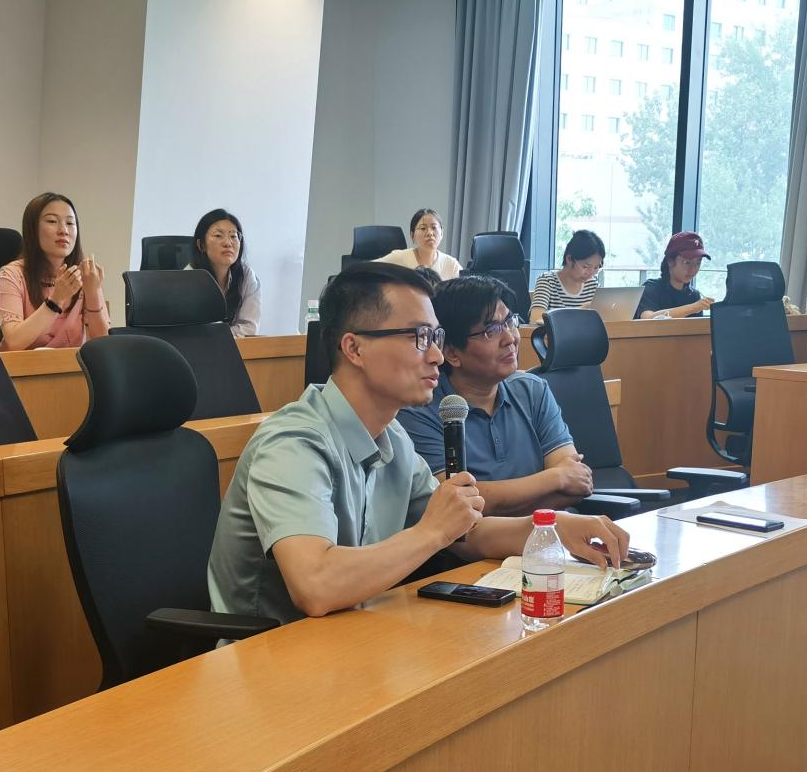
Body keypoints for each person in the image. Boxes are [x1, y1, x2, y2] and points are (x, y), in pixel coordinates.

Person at [207, 261, 627, 624]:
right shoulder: (292, 442)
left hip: (354, 637)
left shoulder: (392, 438)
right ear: (354, 348)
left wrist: (551, 529)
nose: (437, 357)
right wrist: (432, 532)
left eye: (437, 338)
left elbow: (466, 532)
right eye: (419, 337)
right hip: (269, 660)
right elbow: (316, 586)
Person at [398, 276, 594, 516]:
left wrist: (497, 501)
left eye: (510, 322)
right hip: (478, 541)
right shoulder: (420, 411)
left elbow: (576, 485)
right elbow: (450, 503)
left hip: (550, 532)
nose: (510, 338)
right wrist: (555, 478)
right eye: (491, 330)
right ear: (452, 353)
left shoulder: (533, 391)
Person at [0, 192, 110, 351]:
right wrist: (56, 300)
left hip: (68, 365)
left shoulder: (85, 275)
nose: (63, 230)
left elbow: (104, 346)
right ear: (32, 229)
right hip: (22, 365)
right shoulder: (12, 274)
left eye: (70, 223)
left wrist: (93, 292)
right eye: (52, 221)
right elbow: (14, 342)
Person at [189, 208, 261, 337]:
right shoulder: (189, 279)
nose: (228, 243)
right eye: (218, 235)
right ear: (201, 245)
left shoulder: (246, 275)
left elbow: (250, 328)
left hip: (236, 348)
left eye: (233, 236)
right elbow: (196, 333)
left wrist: (220, 336)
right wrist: (228, 335)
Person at [530, 230, 605, 323]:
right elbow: (535, 320)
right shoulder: (547, 281)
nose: (591, 273)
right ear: (569, 259)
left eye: (596, 267)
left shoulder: (593, 285)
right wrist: (580, 311)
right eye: (586, 267)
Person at [635, 231, 715, 319]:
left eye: (698, 263)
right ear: (670, 261)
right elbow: (648, 318)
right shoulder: (652, 288)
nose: (693, 269)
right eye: (687, 262)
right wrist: (693, 308)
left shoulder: (694, 295)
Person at [375, 208, 461, 280]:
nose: (430, 233)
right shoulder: (399, 257)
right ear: (412, 235)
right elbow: (369, 269)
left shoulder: (452, 265)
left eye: (434, 227)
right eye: (423, 228)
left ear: (442, 233)